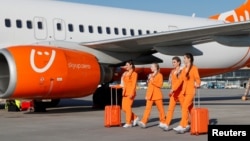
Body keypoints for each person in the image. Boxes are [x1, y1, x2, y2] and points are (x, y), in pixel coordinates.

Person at [171, 53, 201, 134]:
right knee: (189, 109)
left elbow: (198, 79)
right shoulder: (184, 69)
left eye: (184, 58)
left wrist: (197, 84)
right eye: (183, 58)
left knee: (184, 107)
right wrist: (173, 89)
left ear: (189, 59)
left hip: (191, 91)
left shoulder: (194, 68)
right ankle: (193, 124)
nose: (183, 60)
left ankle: (183, 125)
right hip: (184, 92)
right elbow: (180, 80)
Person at [137, 63, 165, 128]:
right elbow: (149, 86)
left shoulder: (160, 75)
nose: (151, 68)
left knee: (160, 109)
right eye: (151, 67)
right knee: (147, 109)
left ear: (156, 67)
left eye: (152, 67)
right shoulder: (150, 75)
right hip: (150, 95)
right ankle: (144, 122)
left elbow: (160, 85)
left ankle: (163, 121)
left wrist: (152, 81)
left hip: (157, 95)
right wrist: (147, 95)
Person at [160, 56, 185, 131]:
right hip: (173, 93)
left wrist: (173, 88)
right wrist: (171, 88)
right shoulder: (172, 71)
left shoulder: (182, 70)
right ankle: (167, 124)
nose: (173, 63)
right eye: (172, 62)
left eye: (174, 62)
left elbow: (180, 82)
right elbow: (170, 81)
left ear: (179, 62)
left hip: (180, 92)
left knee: (183, 109)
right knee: (170, 109)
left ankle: (185, 123)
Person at [113, 60, 139, 128]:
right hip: (124, 92)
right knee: (124, 108)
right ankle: (135, 117)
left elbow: (134, 85)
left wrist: (132, 93)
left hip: (130, 92)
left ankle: (128, 122)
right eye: (125, 65)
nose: (126, 66)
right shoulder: (124, 73)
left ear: (131, 66)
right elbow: (122, 84)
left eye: (127, 65)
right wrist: (115, 86)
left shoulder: (134, 74)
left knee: (127, 108)